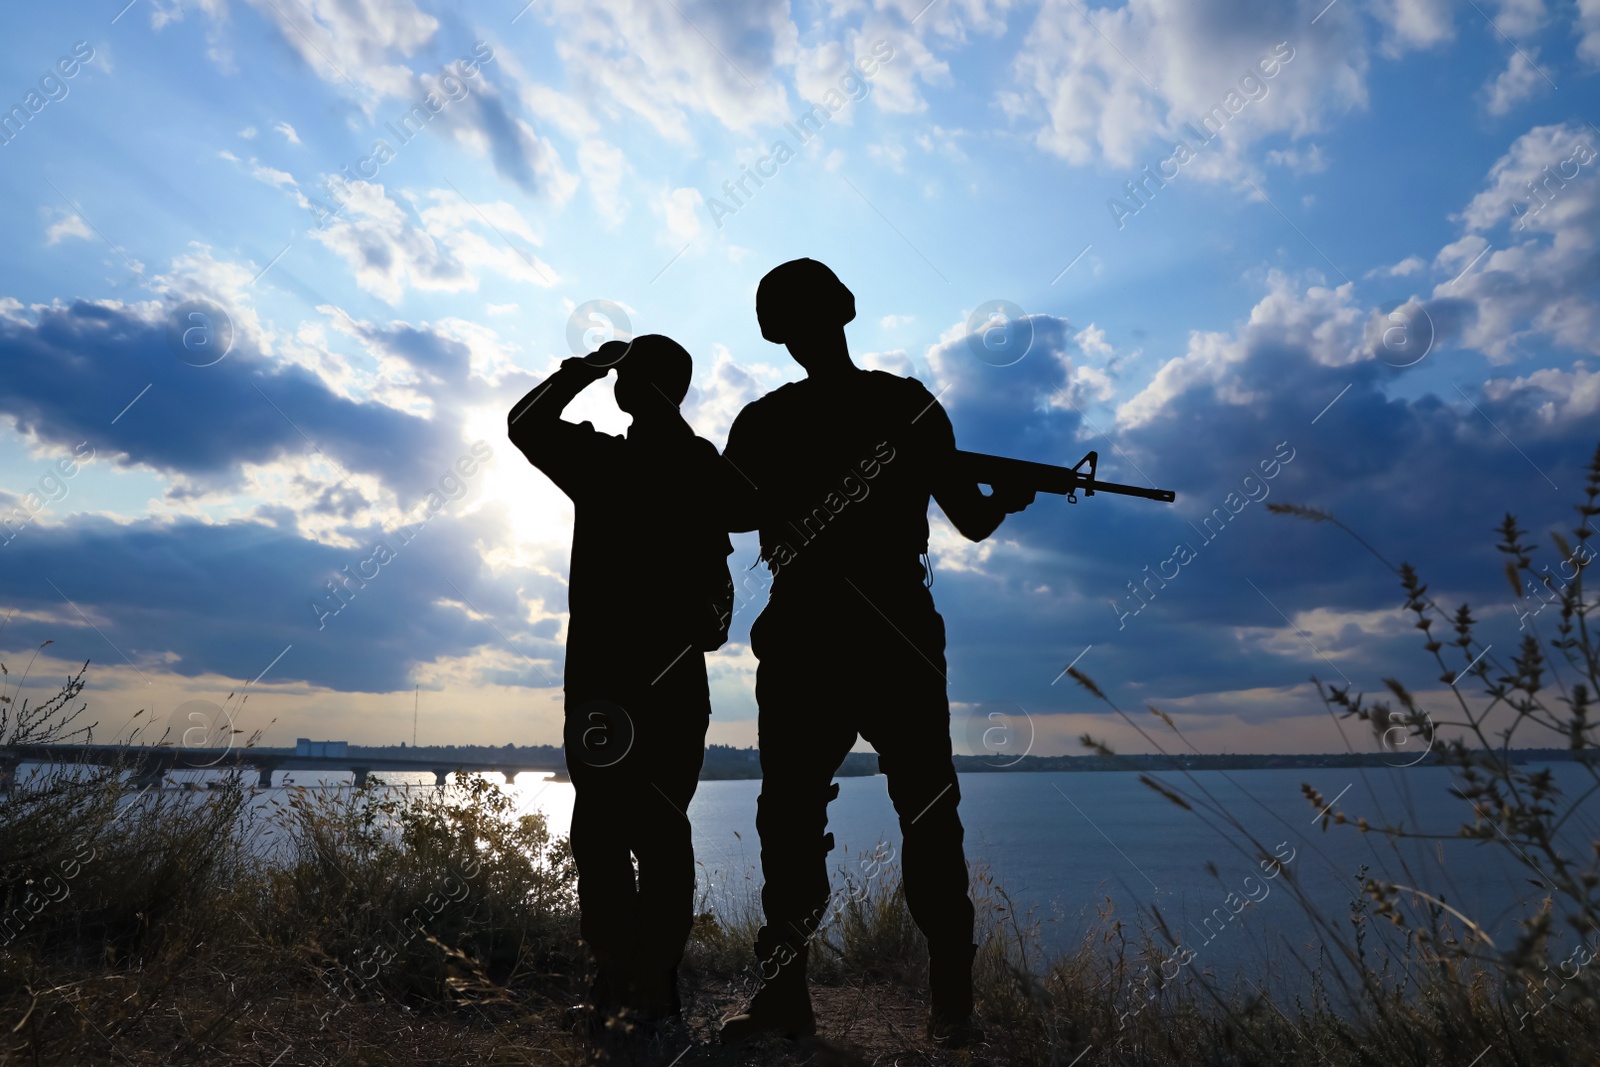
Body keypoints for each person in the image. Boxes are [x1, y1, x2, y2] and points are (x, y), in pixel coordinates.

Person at [717, 259, 1035, 1047]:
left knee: (789, 822)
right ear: (845, 313)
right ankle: (952, 1010)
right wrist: (1005, 499)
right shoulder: (908, 403)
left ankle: (788, 1000)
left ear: (780, 332)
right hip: (896, 637)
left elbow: (723, 512)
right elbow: (971, 521)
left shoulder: (762, 421)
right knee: (930, 816)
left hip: (804, 644)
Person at [506, 335, 735, 1030]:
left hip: (606, 689)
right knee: (659, 832)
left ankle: (622, 981)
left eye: (625, 376)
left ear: (629, 387)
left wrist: (581, 369)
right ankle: (652, 987)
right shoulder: (702, 467)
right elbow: (721, 595)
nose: (618, 384)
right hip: (671, 688)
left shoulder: (604, 462)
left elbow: (524, 424)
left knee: (604, 831)